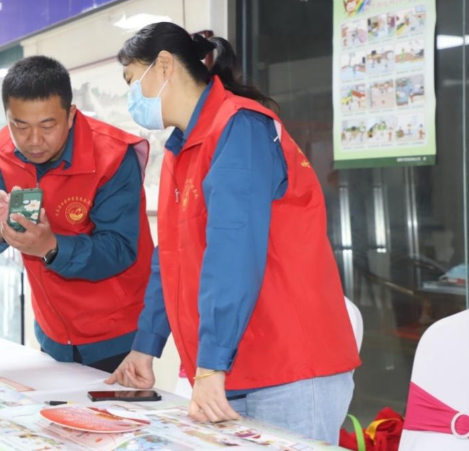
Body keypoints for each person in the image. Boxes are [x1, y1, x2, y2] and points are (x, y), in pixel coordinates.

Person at [105, 22, 361, 444]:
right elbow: (168, 258)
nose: (132, 97)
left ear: (164, 65)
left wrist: (210, 366)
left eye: (133, 81)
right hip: (233, 368)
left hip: (288, 368)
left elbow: (233, 255)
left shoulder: (240, 128)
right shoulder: (180, 149)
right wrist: (145, 346)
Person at [0, 56, 153, 373]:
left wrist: (51, 247)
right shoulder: (2, 150)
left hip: (115, 335)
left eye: (47, 126)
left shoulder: (113, 156)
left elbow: (120, 249)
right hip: (52, 332)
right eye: (20, 126)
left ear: (70, 116)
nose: (33, 140)